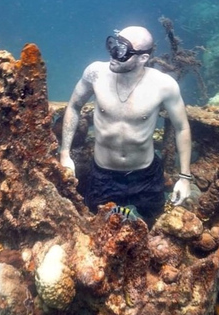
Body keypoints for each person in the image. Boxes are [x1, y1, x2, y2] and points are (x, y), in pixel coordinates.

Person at [59, 26, 193, 224]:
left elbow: (182, 128)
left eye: (122, 51)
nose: (114, 54)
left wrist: (184, 177)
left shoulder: (164, 85)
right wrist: (64, 154)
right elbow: (74, 107)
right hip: (103, 175)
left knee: (153, 228)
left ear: (143, 58)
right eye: (113, 46)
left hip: (146, 175)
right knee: (98, 230)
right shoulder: (95, 73)